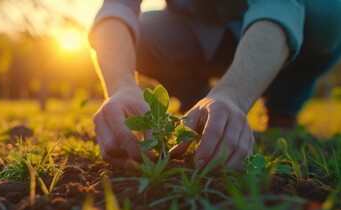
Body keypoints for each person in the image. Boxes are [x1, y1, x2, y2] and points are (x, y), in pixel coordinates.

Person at [88, 0, 341, 170]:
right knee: (139, 35)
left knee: (326, 15)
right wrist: (121, 85)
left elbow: (278, 5)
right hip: (193, 28)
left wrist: (233, 94)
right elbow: (117, 7)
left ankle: (282, 111)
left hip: (261, 30)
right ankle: (199, 112)